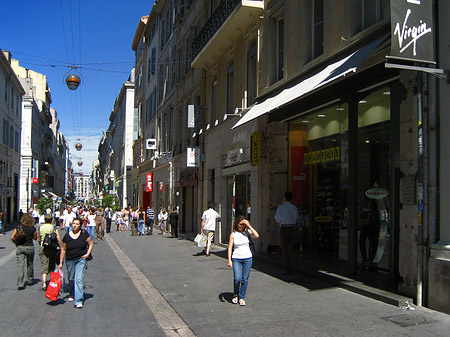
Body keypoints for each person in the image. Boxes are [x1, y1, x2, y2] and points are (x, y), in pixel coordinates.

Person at [58, 217, 93, 309]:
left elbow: (90, 244)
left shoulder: (84, 234)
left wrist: (87, 254)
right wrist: (60, 262)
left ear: (80, 225)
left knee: (79, 279)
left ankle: (78, 300)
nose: (75, 225)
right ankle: (72, 293)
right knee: (71, 278)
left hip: (81, 259)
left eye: (77, 224)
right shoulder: (67, 236)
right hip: (69, 259)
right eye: (74, 223)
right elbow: (63, 249)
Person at [228, 216, 259, 306]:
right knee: (237, 278)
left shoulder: (247, 232)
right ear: (237, 224)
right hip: (236, 258)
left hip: (247, 258)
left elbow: (257, 235)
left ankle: (241, 297)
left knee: (245, 279)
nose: (242, 226)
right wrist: (229, 260)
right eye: (241, 224)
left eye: (244, 224)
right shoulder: (233, 235)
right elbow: (230, 247)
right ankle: (235, 294)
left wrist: (249, 225)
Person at [274, 191, 299, 275]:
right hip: (292, 227)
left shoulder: (280, 207)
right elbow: (296, 219)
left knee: (284, 249)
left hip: (284, 227)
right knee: (290, 247)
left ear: (285, 198)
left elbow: (277, 218)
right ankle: (291, 265)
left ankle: (287, 268)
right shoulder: (294, 208)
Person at [12, 213, 37, 290]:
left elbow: (13, 237)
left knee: (20, 266)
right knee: (30, 264)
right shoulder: (33, 228)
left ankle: (20, 283)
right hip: (29, 247)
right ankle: (30, 279)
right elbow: (35, 238)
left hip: (20, 247)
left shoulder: (19, 227)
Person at [37, 213, 62, 291]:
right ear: (51, 220)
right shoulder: (53, 227)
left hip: (43, 247)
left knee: (44, 265)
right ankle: (52, 281)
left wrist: (41, 244)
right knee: (51, 264)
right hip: (52, 248)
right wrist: (60, 247)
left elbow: (38, 238)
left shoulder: (40, 227)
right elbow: (58, 237)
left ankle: (44, 283)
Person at [359, 199, 380, 270]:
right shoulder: (367, 211)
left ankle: (371, 260)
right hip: (367, 226)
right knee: (363, 241)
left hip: (372, 227)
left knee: (373, 244)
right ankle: (366, 259)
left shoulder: (376, 212)